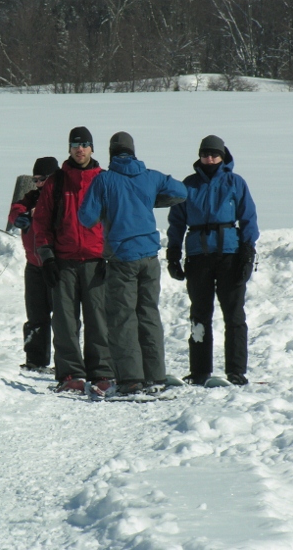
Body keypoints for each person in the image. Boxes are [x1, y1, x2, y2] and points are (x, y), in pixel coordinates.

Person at [78, 132, 187, 396]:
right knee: (149, 314)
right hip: (150, 257)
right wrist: (151, 200)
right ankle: (155, 376)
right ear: (133, 151)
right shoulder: (150, 176)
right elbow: (181, 192)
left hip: (121, 257)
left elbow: (85, 217)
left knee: (122, 318)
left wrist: (107, 208)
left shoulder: (104, 180)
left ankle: (131, 380)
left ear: (111, 152)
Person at [166, 134, 259, 386]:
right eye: (205, 154)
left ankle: (236, 370)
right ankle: (199, 371)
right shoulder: (188, 185)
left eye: (214, 154)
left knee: (234, 315)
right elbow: (176, 222)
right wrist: (173, 253)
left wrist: (248, 251)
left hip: (230, 255)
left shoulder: (235, 183)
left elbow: (249, 217)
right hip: (198, 257)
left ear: (222, 155)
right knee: (199, 314)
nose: (209, 158)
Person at [32, 126, 115, 393]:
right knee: (65, 321)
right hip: (63, 262)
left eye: (85, 144)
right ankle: (70, 374)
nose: (80, 149)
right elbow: (41, 223)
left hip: (96, 261)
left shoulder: (104, 180)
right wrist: (47, 258)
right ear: (69, 148)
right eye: (75, 144)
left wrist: (110, 256)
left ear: (92, 148)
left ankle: (101, 372)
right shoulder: (56, 182)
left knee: (98, 321)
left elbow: (116, 221)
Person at [8, 157, 60, 372]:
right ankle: (35, 360)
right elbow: (17, 208)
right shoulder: (33, 198)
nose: (38, 184)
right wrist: (19, 216)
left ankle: (68, 363)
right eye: (36, 179)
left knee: (64, 317)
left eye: (43, 179)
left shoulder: (61, 199)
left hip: (57, 264)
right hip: (34, 265)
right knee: (36, 315)